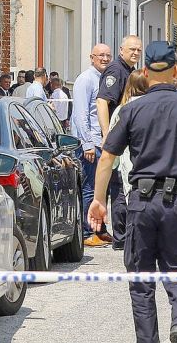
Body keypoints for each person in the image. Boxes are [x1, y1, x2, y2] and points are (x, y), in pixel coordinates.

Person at [89, 41, 177, 343]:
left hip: (142, 205)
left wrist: (98, 200)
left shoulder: (131, 110)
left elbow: (108, 157)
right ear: (176, 71)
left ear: (145, 71)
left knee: (141, 280)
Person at [97, 34, 142, 249]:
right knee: (118, 187)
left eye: (138, 50)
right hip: (118, 136)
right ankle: (121, 237)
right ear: (121, 50)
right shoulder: (116, 70)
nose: (135, 53)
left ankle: (124, 235)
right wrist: (107, 134)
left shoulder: (129, 71)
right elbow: (102, 101)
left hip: (125, 135)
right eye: (131, 49)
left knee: (124, 184)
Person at [72, 44, 114, 247]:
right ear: (92, 57)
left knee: (101, 188)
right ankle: (89, 232)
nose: (105, 59)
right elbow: (80, 115)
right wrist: (87, 144)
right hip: (90, 144)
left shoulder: (104, 79)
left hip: (101, 142)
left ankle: (100, 229)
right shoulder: (85, 80)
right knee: (90, 188)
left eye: (108, 55)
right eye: (101, 55)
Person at [108, 71, 148, 196]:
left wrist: (112, 165)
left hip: (127, 167)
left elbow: (111, 141)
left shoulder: (122, 110)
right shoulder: (156, 108)